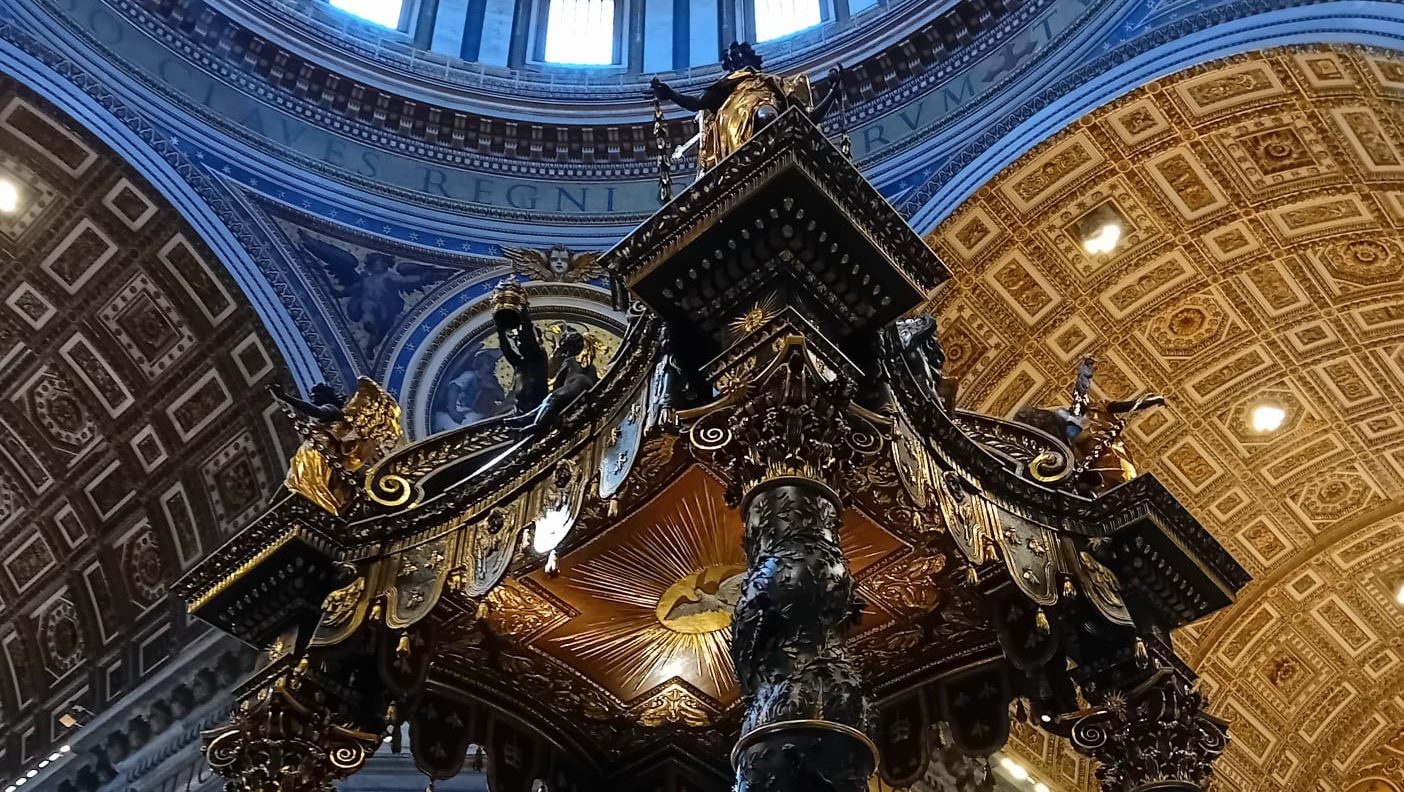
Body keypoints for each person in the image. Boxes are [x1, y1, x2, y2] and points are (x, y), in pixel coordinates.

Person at [650, 42, 845, 170]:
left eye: (742, 57)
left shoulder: (775, 84)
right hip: (732, 125)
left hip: (767, 111)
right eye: (735, 60)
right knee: (766, 117)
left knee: (768, 116)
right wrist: (671, 94)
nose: (740, 62)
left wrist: (832, 93)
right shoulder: (726, 86)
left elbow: (806, 120)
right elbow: (697, 104)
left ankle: (773, 159)